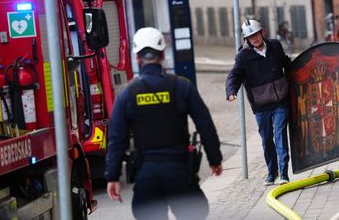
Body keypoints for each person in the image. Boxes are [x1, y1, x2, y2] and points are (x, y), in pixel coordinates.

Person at [105, 27, 223, 219]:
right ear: (162, 54)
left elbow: (117, 139)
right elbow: (205, 124)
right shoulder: (182, 86)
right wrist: (215, 159)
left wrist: (112, 176)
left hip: (146, 175)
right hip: (179, 172)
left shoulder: (126, 94)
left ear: (137, 58)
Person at [226, 18, 291, 186]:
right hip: (261, 105)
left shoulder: (275, 46)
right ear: (246, 39)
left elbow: (286, 63)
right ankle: (272, 172)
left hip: (280, 101)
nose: (254, 38)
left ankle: (284, 174)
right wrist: (231, 91)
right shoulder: (243, 56)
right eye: (250, 36)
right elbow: (234, 75)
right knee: (266, 139)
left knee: (280, 134)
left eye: (256, 34)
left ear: (262, 32)